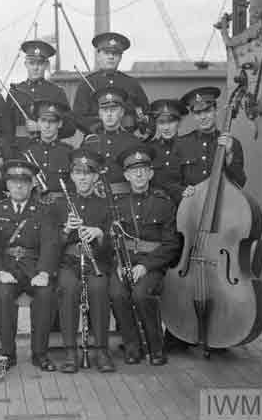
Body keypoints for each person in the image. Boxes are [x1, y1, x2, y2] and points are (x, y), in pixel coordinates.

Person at [109, 145, 181, 366]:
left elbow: (171, 244)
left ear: (150, 173)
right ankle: (133, 347)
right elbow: (113, 241)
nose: (138, 174)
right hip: (126, 263)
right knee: (118, 294)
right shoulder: (117, 205)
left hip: (152, 266)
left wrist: (146, 266)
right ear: (126, 175)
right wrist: (120, 264)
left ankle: (155, 347)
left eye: (143, 169)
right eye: (133, 170)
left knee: (141, 294)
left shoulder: (164, 204)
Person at [0, 159, 59, 371]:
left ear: (31, 185)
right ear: (7, 185)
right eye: (13, 182)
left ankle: (40, 353)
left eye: (24, 182)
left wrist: (45, 272)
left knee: (46, 294)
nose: (18, 186)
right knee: (2, 294)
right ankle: (7, 354)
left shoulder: (44, 210)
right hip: (7, 268)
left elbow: (50, 243)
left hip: (34, 267)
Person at [57, 148, 114, 373]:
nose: (83, 177)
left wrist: (100, 234)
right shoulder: (60, 204)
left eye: (88, 173)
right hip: (69, 262)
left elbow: (113, 244)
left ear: (96, 176)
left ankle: (101, 350)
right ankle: (70, 351)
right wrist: (66, 230)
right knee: (69, 289)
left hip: (95, 261)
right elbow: (51, 242)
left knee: (99, 287)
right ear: (72, 176)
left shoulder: (106, 204)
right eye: (78, 172)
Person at [72, 32, 149, 136]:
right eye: (106, 53)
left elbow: (146, 113)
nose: (111, 57)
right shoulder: (87, 84)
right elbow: (78, 116)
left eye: (115, 54)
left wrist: (134, 121)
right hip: (96, 141)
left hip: (126, 141)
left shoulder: (132, 84)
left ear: (120, 57)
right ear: (98, 55)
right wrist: (100, 125)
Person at [177, 86, 246, 197]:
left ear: (216, 111)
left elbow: (240, 182)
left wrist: (229, 156)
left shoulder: (232, 143)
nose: (203, 117)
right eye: (198, 113)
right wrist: (182, 190)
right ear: (193, 116)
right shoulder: (181, 144)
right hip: (192, 207)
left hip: (222, 205)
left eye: (207, 110)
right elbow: (173, 182)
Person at [2, 40, 71, 145]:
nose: (35, 68)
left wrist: (41, 127)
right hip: (20, 149)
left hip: (48, 149)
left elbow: (70, 127)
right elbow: (6, 128)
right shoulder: (15, 92)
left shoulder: (57, 92)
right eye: (32, 63)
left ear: (47, 65)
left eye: (40, 63)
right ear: (25, 64)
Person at [81, 86, 138, 194]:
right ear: (99, 114)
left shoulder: (133, 142)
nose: (109, 114)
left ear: (121, 112)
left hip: (124, 197)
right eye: (105, 110)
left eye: (113, 109)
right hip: (96, 197)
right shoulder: (89, 142)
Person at [18, 99, 75, 201]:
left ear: (60, 124)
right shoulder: (27, 150)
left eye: (52, 121)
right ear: (38, 123)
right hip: (33, 204)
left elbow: (74, 186)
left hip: (60, 206)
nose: (47, 126)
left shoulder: (69, 152)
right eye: (43, 121)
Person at [146, 99, 188, 203]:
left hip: (183, 206)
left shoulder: (189, 147)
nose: (166, 127)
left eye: (171, 122)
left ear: (179, 122)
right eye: (161, 122)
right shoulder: (148, 149)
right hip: (156, 207)